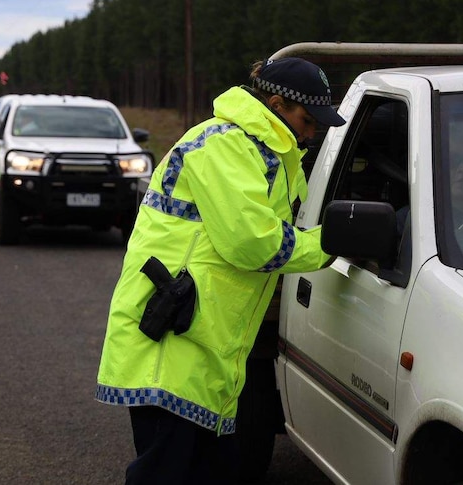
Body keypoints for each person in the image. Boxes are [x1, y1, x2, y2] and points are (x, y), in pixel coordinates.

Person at [95, 57, 346, 484]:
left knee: (210, 471)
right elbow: (254, 242)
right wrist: (332, 243)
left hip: (201, 342)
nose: (312, 133)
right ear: (276, 103)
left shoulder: (265, 153)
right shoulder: (224, 145)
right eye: (308, 120)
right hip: (173, 344)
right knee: (165, 474)